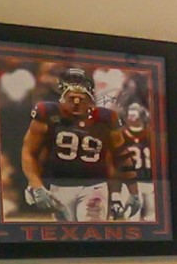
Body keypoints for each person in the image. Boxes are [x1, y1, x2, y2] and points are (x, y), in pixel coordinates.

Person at [20, 69, 123, 222]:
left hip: (94, 186)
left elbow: (117, 157)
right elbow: (29, 151)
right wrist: (35, 184)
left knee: (91, 233)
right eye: (72, 97)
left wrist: (116, 194)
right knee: (65, 238)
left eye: (81, 98)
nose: (76, 102)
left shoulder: (106, 117)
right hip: (58, 186)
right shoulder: (47, 112)